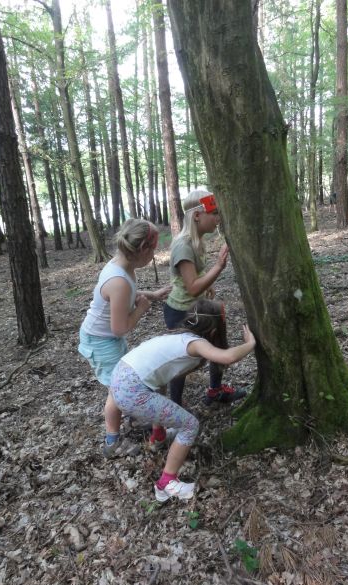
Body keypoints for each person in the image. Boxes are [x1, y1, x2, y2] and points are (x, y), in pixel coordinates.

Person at [108, 299, 256, 501]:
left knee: (160, 395)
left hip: (119, 379)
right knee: (190, 425)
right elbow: (227, 357)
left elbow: (159, 377)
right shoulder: (196, 343)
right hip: (133, 391)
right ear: (213, 331)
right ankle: (166, 483)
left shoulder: (177, 337)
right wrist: (250, 344)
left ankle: (158, 438)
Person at [78, 218, 170, 457]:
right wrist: (141, 309)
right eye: (154, 249)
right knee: (117, 391)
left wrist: (153, 295)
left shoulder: (123, 265)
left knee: (125, 384)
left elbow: (129, 294)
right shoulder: (118, 280)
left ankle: (138, 418)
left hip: (107, 339)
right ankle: (112, 442)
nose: (155, 254)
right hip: (102, 342)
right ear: (142, 250)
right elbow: (120, 327)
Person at [163, 189, 246, 408]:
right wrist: (218, 267)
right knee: (182, 359)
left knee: (216, 341)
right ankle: (174, 408)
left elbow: (195, 279)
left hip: (197, 307)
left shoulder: (196, 240)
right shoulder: (183, 245)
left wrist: (207, 284)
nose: (218, 218)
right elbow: (191, 288)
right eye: (214, 212)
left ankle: (215, 390)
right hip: (182, 312)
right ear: (197, 215)